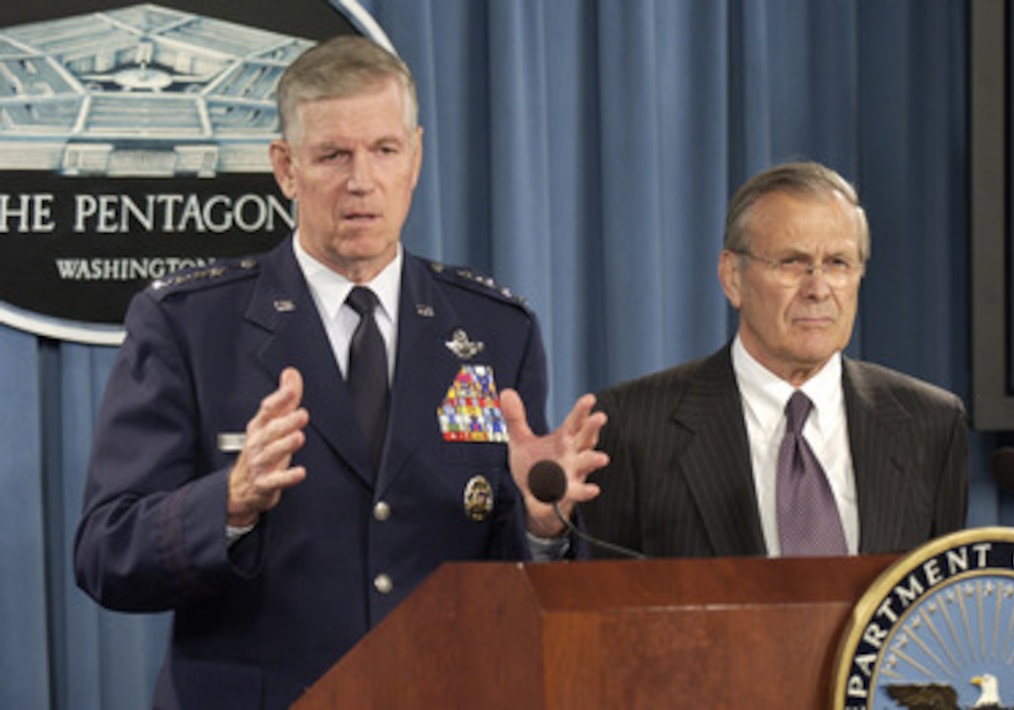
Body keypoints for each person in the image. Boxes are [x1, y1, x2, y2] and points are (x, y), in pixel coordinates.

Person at [73, 35, 605, 710]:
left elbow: (506, 577)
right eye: (333, 155)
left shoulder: (497, 330)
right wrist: (228, 503)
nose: (362, 180)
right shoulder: (188, 323)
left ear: (414, 157)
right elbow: (103, 554)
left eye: (384, 150)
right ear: (285, 167)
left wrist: (542, 525)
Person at [581, 160, 968, 559]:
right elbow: (595, 603)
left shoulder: (929, 425)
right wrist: (542, 529)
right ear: (733, 277)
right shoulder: (635, 426)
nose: (818, 289)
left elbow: (938, 606)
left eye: (837, 263)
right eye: (791, 263)